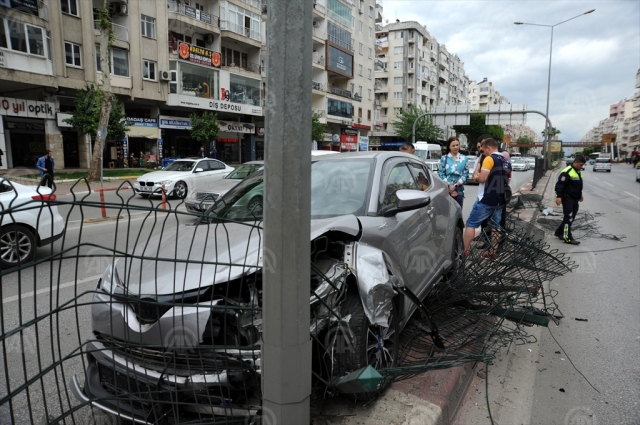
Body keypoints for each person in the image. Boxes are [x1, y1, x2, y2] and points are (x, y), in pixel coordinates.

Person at [463, 138, 510, 258]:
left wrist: (476, 177)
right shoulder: (505, 160)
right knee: (496, 226)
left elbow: (482, 178)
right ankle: (492, 251)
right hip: (501, 198)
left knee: (471, 224)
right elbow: (508, 178)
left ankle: (464, 251)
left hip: (487, 199)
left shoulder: (490, 159)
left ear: (488, 148)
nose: (483, 153)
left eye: (483, 150)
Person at [553, 155, 585, 245]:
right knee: (568, 218)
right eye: (580, 165)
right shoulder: (567, 172)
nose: (581, 167)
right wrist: (559, 196)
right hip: (567, 198)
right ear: (575, 162)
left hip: (575, 198)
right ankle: (567, 237)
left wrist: (580, 195)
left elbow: (577, 185)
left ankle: (559, 232)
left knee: (571, 217)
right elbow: (559, 185)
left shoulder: (577, 171)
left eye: (582, 165)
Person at [438, 136, 468, 207]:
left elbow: (465, 174)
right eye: (453, 145)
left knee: (458, 213)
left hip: (459, 189)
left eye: (457, 145)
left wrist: (455, 186)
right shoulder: (444, 158)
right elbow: (441, 173)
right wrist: (449, 186)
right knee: (446, 213)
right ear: (449, 147)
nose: (455, 147)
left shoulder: (464, 158)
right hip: (446, 189)